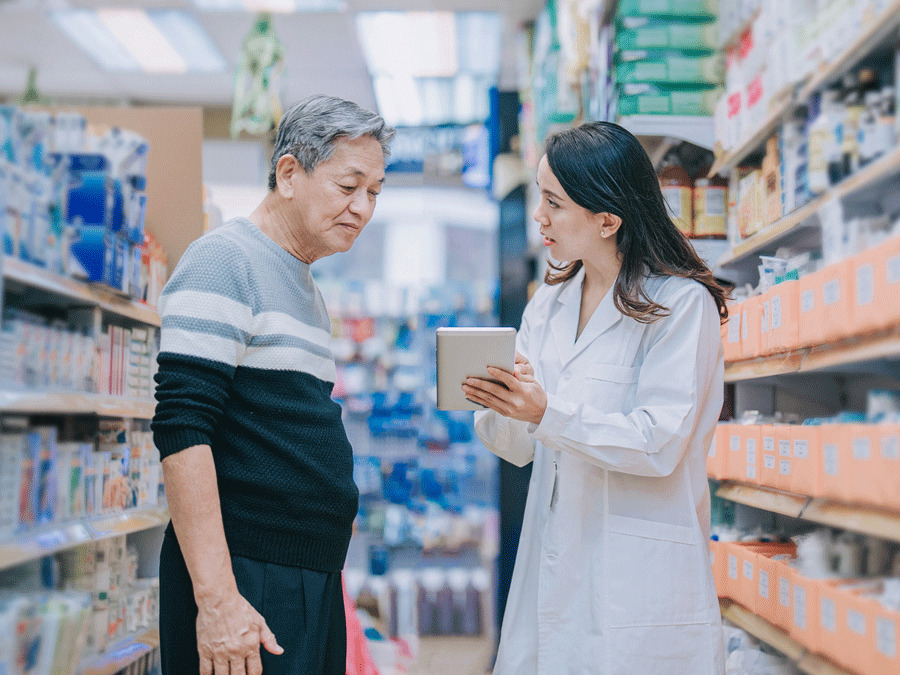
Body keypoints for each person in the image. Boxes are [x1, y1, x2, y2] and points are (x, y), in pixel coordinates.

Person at [463, 121, 729, 674]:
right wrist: (499, 403)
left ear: (607, 219)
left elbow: (658, 442)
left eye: (554, 203)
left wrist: (545, 411)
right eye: (542, 197)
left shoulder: (681, 306)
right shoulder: (549, 304)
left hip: (639, 584)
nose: (539, 216)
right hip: (553, 568)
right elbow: (520, 446)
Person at [151, 95, 394, 675]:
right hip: (246, 580)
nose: (362, 207)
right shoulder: (224, 262)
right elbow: (183, 431)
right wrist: (216, 601)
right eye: (348, 186)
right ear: (289, 173)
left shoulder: (303, 286)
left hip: (304, 575)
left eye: (375, 193)